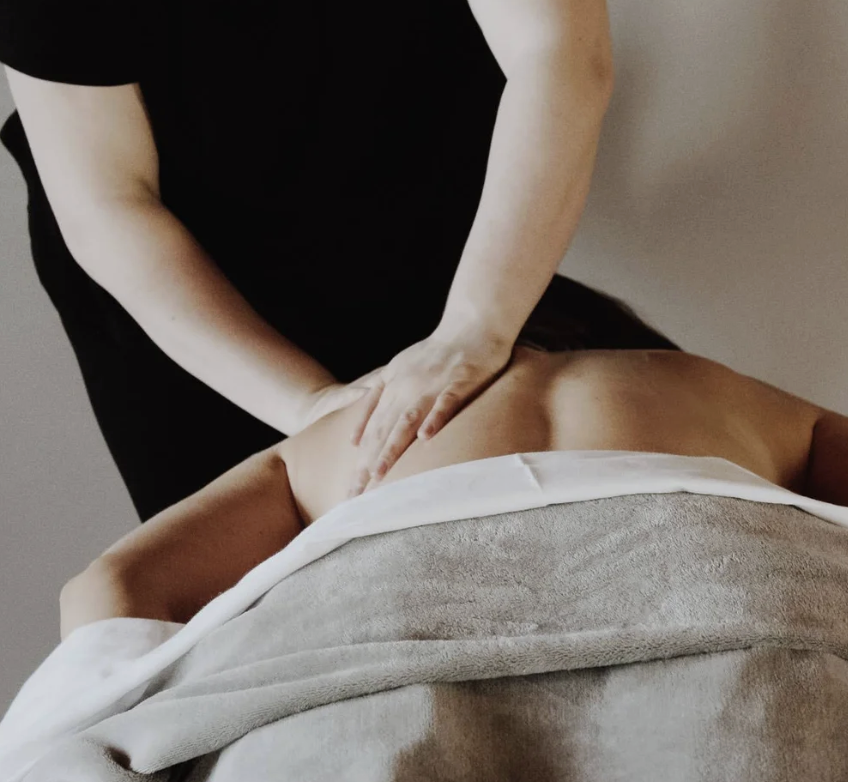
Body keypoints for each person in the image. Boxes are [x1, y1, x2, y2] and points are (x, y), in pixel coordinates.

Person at [58, 281, 848, 641]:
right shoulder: (715, 388)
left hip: (413, 601)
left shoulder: (353, 427)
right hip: (722, 576)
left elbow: (111, 592)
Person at [0, 0, 617, 521]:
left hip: (414, 189)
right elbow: (109, 205)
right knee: (257, 578)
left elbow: (558, 55)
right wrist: (312, 408)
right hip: (184, 285)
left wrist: (475, 327)